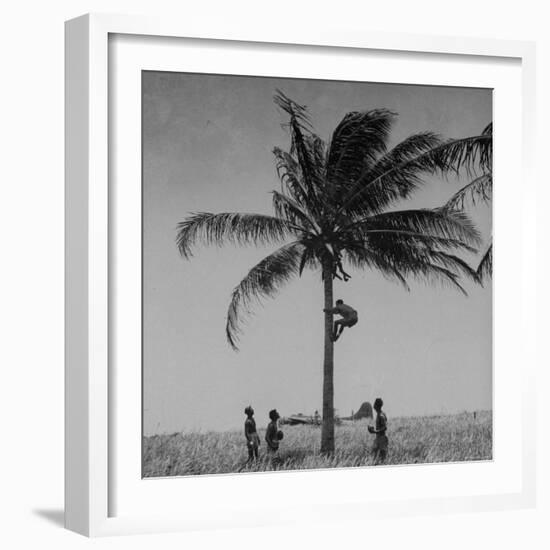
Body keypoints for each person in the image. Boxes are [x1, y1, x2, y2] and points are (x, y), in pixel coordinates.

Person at [368, 397, 388, 465]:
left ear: (376, 405)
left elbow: (384, 428)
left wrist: (374, 431)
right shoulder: (381, 414)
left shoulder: (381, 415)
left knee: (381, 458)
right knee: (375, 456)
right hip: (379, 438)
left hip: (381, 439)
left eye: (374, 404)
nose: (373, 406)